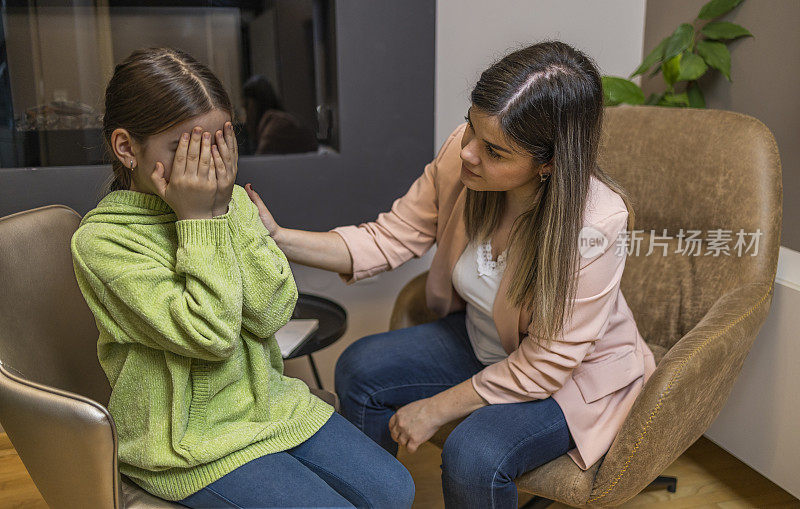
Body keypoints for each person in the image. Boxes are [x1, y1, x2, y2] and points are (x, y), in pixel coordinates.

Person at [245, 40, 658, 509]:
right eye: (471, 130)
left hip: (570, 379)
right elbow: (389, 237)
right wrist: (278, 236)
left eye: (495, 152)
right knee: (360, 369)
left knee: (473, 454)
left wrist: (435, 409)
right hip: (485, 344)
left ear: (548, 164)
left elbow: (546, 365)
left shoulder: (595, 223)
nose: (469, 154)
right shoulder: (461, 158)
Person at [70, 47, 414, 508]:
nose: (208, 167)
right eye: (184, 149)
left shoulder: (224, 202)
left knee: (396, 490)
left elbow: (271, 313)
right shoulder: (104, 243)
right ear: (127, 148)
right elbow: (209, 335)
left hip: (266, 404)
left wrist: (229, 213)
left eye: (218, 144)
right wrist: (201, 221)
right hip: (187, 442)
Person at [242, 74, 318, 154]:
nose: (246, 117)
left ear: (256, 105)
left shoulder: (275, 129)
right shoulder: (279, 122)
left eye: (247, 107)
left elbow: (262, 163)